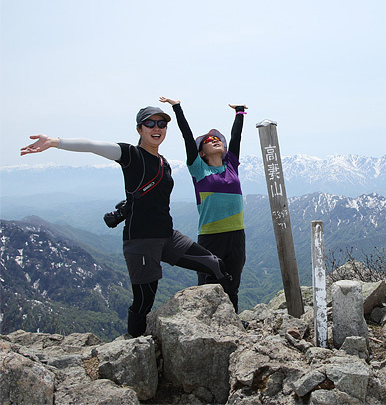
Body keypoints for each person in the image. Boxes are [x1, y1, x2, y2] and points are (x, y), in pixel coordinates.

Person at [20, 105, 232, 337]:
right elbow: (92, 146)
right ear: (139, 129)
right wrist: (54, 141)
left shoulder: (164, 163)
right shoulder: (130, 154)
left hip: (168, 236)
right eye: (150, 123)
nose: (157, 128)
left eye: (162, 124)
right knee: (144, 302)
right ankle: (136, 348)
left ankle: (222, 319)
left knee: (215, 265)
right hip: (141, 241)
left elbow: (149, 199)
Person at [159, 97, 246, 313]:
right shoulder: (198, 169)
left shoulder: (232, 165)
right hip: (211, 236)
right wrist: (177, 107)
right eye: (209, 140)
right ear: (201, 153)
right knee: (209, 283)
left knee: (232, 284)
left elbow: (236, 137)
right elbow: (187, 137)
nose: (215, 139)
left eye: (218, 138)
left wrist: (240, 112)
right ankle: (205, 324)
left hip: (237, 235)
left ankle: (233, 323)